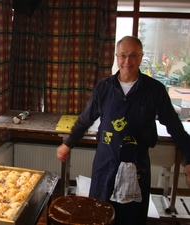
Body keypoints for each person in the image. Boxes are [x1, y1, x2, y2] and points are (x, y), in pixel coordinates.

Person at [57, 35, 190, 225]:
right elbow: (86, 119)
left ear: (141, 57)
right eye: (123, 55)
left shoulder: (155, 90)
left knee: (131, 218)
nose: (128, 61)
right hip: (105, 162)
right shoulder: (104, 87)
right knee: (99, 214)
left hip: (136, 166)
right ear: (116, 57)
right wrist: (68, 143)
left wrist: (189, 157)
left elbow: (174, 125)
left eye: (133, 55)